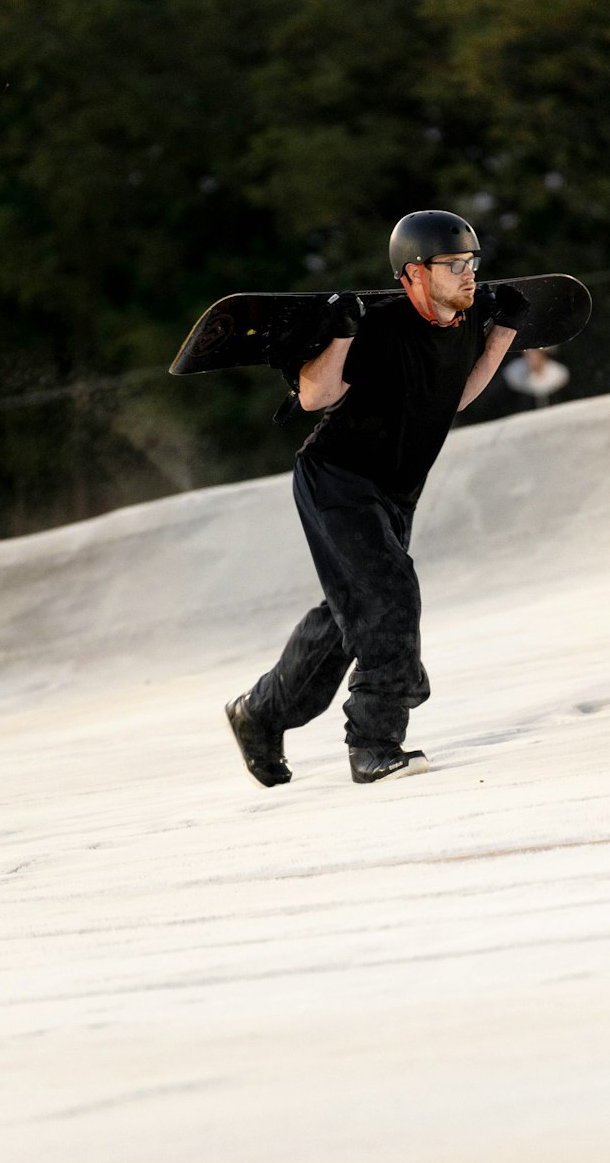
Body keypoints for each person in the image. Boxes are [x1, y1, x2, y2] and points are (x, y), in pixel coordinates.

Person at [225, 209, 529, 786]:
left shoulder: (461, 324)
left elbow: (453, 399)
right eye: (454, 264)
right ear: (414, 272)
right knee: (389, 598)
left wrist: (503, 336)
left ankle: (260, 712)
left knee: (349, 619)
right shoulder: (380, 327)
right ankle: (373, 741)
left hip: (395, 490)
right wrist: (340, 332)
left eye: (473, 263)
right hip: (338, 480)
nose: (469, 274)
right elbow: (316, 396)